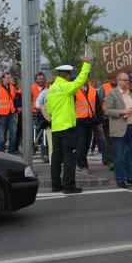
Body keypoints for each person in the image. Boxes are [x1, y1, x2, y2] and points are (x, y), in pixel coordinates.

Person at [47, 57, 91, 194]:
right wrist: (86, 65)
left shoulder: (52, 88)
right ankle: (68, 186)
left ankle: (55, 184)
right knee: (69, 158)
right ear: (66, 74)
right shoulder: (65, 87)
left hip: (56, 127)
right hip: (67, 127)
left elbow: (49, 109)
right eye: (69, 74)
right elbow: (80, 81)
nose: (70, 77)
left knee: (56, 157)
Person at [104, 72, 132, 189]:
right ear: (118, 81)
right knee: (119, 156)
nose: (128, 82)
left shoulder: (131, 94)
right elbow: (107, 110)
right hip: (120, 129)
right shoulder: (112, 93)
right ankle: (120, 179)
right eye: (125, 80)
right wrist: (122, 111)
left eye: (129, 80)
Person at [0, 72, 21, 153]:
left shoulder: (12, 87)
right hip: (1, 114)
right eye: (7, 78)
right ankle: (2, 151)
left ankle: (11, 151)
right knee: (1, 135)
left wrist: (15, 110)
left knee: (13, 133)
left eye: (9, 78)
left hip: (11, 113)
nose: (9, 79)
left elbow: (14, 99)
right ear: (3, 78)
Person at [75, 80, 100, 174]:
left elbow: (97, 105)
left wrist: (98, 118)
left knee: (87, 144)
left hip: (90, 120)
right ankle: (84, 165)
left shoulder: (93, 90)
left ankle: (78, 161)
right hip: (79, 120)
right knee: (81, 143)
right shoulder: (75, 89)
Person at [98, 78, 117, 169]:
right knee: (109, 140)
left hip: (119, 118)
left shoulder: (121, 87)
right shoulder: (103, 88)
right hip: (107, 118)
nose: (115, 80)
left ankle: (116, 160)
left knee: (118, 140)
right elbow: (99, 103)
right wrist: (101, 117)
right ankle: (110, 161)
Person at [31, 72, 47, 154]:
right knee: (34, 132)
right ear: (36, 80)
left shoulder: (48, 88)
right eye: (39, 79)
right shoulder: (32, 88)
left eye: (42, 78)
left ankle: (44, 150)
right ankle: (33, 148)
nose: (41, 80)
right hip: (34, 113)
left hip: (45, 114)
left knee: (44, 132)